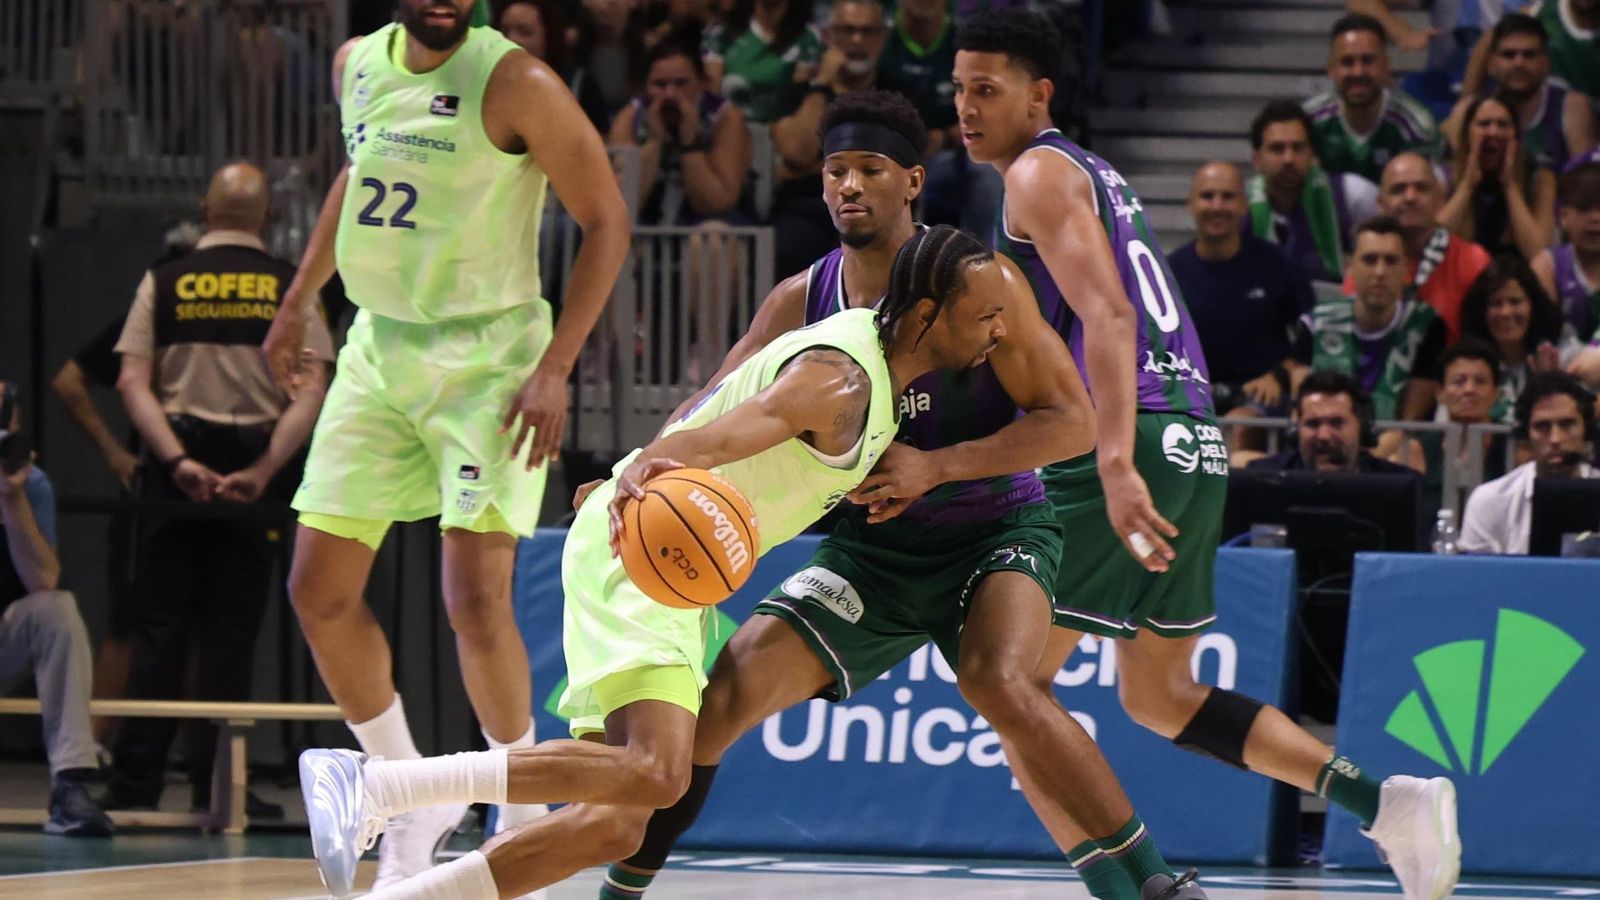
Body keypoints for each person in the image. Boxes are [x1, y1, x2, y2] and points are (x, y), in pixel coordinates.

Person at [298, 225, 1012, 900]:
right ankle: (379, 786)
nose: (998, 332)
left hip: (666, 557)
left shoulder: (875, 379)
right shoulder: (841, 380)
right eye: (985, 316)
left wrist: (632, 471)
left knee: (613, 821)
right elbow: (722, 435)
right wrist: (644, 467)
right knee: (657, 771)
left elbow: (728, 416)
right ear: (927, 314)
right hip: (647, 555)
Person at [591, 91, 1176, 900]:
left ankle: (1157, 885)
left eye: (869, 170)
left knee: (1000, 682)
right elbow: (712, 407)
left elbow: (1073, 422)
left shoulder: (982, 282)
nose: (849, 186)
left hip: (995, 529)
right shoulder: (802, 299)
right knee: (718, 703)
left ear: (912, 181)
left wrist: (936, 467)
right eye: (835, 171)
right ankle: (618, 894)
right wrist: (633, 470)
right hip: (871, 555)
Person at [954, 11, 1461, 900]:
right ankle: (1385, 803)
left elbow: (1110, 314)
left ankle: (1138, 890)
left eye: (986, 90)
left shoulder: (1036, 173)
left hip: (1128, 435)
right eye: (959, 88)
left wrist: (1114, 461)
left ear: (1039, 96)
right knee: (1160, 695)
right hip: (1193, 437)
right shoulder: (1096, 174)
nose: (966, 107)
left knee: (1007, 684)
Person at [261, 0, 631, 890]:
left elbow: (607, 220)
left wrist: (556, 366)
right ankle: (404, 794)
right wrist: (301, 294)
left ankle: (520, 806)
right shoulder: (356, 64)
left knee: (473, 597)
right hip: (379, 349)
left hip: (489, 360)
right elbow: (358, 178)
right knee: (317, 588)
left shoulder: (517, 81)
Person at [102, 162, 332, 818]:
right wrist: (263, 467)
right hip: (254, 468)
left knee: (159, 626)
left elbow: (131, 381)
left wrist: (175, 460)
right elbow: (313, 388)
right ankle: (219, 786)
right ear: (268, 217)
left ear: (205, 210)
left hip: (172, 469)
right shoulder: (291, 286)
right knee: (230, 632)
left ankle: (135, 782)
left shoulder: (165, 279)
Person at [0, 383, 114, 838]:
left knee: (57, 609)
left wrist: (11, 499)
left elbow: (43, 581)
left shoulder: (30, 485)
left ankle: (70, 786)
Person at [1168, 161, 1313, 425]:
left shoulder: (1275, 263)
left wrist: (1279, 376)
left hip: (1259, 396)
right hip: (1190, 397)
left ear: (1244, 205)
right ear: (1191, 204)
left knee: (1240, 424)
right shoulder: (1169, 272)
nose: (1217, 206)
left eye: (1228, 197)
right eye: (1207, 196)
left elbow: (1312, 326)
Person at [768, 0, 887, 280]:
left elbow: (905, 159)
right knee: (787, 248)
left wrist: (818, 164)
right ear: (828, 35)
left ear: (882, 37)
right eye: (847, 30)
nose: (856, 41)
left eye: (867, 31)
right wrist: (821, 84)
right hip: (805, 209)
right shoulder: (799, 92)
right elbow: (798, 151)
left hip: (877, 208)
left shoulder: (896, 92)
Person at [1301, 217, 1449, 424]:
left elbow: (1408, 423)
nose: (1380, 272)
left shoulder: (1428, 326)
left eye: (1391, 261)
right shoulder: (1315, 323)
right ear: (1351, 266)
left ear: (1406, 269)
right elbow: (1301, 410)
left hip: (1396, 441)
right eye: (1370, 260)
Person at [1349, 152, 1492, 340]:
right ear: (1380, 204)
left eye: (1422, 188)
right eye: (1398, 189)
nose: (1410, 197)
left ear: (1440, 199)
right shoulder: (1369, 260)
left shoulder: (1473, 261)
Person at [609, 38, 751, 225]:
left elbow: (717, 203)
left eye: (681, 83)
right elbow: (622, 203)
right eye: (660, 85)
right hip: (648, 217)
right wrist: (654, 141)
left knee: (712, 233)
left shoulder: (726, 117)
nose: (670, 95)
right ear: (645, 87)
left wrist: (690, 145)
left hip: (715, 222)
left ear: (702, 83)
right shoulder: (629, 118)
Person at [1245, 99, 1381, 284]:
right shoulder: (1238, 208)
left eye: (1298, 148)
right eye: (1277, 149)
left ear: (1312, 154)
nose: (1288, 159)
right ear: (1256, 159)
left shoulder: (1353, 194)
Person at [1460, 371, 1598, 552]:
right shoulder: (1489, 502)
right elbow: (1475, 570)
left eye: (1567, 424)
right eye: (1542, 427)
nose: (1555, 439)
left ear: (1586, 430)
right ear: (1526, 435)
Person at [1303, 14, 1443, 185]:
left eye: (1368, 61)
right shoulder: (1308, 121)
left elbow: (1429, 195)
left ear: (1386, 65)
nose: (1358, 72)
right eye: (1347, 62)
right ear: (1331, 69)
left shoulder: (1416, 125)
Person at [1448, 14, 1597, 174]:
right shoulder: (1466, 112)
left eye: (1529, 54)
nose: (1519, 63)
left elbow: (1587, 183)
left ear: (1546, 63)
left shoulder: (1572, 108)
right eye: (1509, 55)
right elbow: (1452, 179)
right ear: (1490, 64)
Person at [1440, 92, 1559, 260]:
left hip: (1518, 273)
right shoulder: (1444, 177)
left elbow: (1540, 254)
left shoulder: (1540, 178)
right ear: (1467, 134)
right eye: (1484, 124)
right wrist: (1467, 185)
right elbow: (1431, 247)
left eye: (1502, 124)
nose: (1493, 132)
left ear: (1516, 135)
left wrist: (1510, 186)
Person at [1246, 370, 1424, 474]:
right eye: (1313, 424)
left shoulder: (1398, 482)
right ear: (1296, 430)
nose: (1323, 436)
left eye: (1337, 423)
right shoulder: (1264, 476)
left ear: (1361, 427)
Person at [1458, 253, 1567, 419]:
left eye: (1515, 302)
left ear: (1533, 305)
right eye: (1496, 303)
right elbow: (1446, 427)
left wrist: (1551, 384)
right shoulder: (1463, 364)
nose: (1505, 312)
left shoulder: (1563, 355)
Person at [702, 0, 823, 125]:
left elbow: (798, 99)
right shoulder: (722, 33)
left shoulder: (808, 37)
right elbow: (711, 90)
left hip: (780, 126)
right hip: (730, 124)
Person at [1532, 160, 1600, 384]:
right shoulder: (1547, 265)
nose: (1595, 218)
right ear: (1563, 217)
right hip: (1562, 382)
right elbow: (1542, 339)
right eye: (1584, 209)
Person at [496, 0, 611, 131]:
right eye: (504, 32)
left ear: (549, 37)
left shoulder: (579, 85)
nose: (511, 39)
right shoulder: (488, 85)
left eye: (525, 32)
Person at [1423, 339, 1512, 502]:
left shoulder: (1514, 447)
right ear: (1440, 392)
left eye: (1480, 381)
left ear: (1495, 393)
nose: (1469, 390)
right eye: (1459, 382)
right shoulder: (1419, 448)